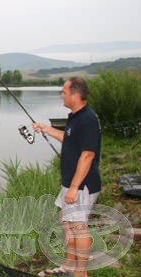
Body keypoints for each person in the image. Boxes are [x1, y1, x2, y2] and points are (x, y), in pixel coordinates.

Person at [33, 77, 101, 277]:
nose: (61, 94)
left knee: (79, 226)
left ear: (75, 94)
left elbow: (88, 155)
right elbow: (68, 139)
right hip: (71, 183)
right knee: (66, 222)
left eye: (64, 91)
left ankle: (81, 273)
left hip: (81, 185)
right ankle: (68, 266)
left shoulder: (87, 119)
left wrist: (74, 187)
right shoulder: (75, 116)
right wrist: (46, 129)